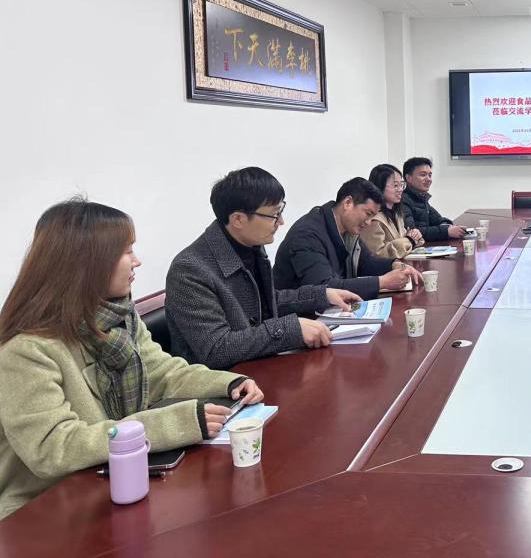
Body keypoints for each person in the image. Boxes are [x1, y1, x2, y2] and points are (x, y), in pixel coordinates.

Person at [0, 198, 265, 519]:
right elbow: (53, 447)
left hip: (115, 481)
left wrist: (229, 383)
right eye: (126, 252)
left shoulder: (119, 317)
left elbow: (163, 373)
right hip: (45, 511)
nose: (137, 261)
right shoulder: (26, 350)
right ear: (87, 265)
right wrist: (174, 423)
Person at [165, 167, 357, 370]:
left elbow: (268, 302)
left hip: (261, 367)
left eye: (280, 211)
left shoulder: (250, 245)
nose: (281, 222)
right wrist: (290, 329)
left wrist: (322, 295)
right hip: (223, 382)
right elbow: (216, 349)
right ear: (238, 219)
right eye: (274, 214)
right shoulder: (189, 270)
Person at [274, 177, 422, 299]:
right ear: (347, 203)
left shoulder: (347, 229)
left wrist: (393, 265)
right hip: (303, 318)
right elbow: (324, 289)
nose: (369, 222)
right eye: (368, 214)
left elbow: (366, 262)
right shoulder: (307, 235)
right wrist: (382, 282)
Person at [363, 164, 424, 259]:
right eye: (395, 185)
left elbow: (407, 240)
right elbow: (377, 254)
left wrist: (415, 236)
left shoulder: (397, 214)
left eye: (401, 185)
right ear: (379, 187)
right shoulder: (373, 219)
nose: (400, 189)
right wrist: (409, 240)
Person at [402, 157, 466, 242]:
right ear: (408, 178)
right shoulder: (403, 200)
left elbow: (438, 220)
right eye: (423, 175)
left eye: (430, 175)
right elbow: (412, 232)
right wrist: (446, 231)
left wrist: (448, 226)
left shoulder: (421, 198)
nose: (428, 179)